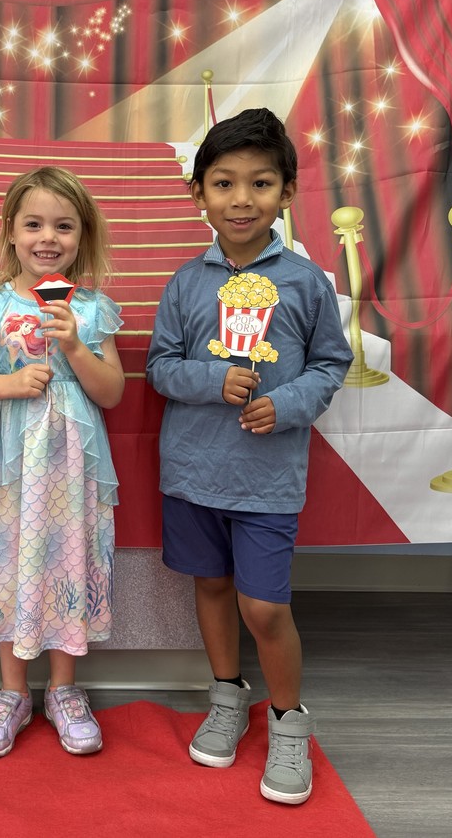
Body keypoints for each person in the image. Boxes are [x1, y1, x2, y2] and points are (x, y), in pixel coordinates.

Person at [146, 108, 353, 804]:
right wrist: (211, 379)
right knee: (209, 588)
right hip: (192, 470)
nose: (242, 199)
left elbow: (331, 363)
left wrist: (287, 402)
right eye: (224, 183)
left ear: (286, 192)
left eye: (260, 183)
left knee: (263, 607)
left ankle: (289, 721)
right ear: (197, 193)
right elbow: (159, 367)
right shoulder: (184, 282)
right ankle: (227, 696)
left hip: (267, 477)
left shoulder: (304, 282)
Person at [0, 166, 124, 758]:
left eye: (64, 226)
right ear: (12, 232)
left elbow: (112, 393)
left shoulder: (93, 308)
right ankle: (12, 690)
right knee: (7, 555)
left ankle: (65, 691)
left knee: (67, 554)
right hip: (7, 459)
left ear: (82, 236)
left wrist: (74, 343)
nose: (48, 237)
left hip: (72, 462)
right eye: (34, 224)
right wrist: (10, 383)